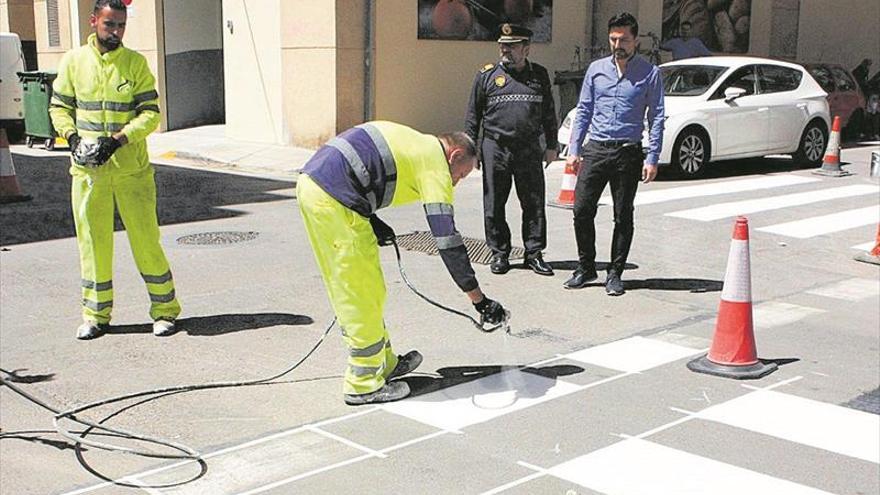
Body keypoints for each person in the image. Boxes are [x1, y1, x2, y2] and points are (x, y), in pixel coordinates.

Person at [297, 121, 508, 405]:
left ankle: (384, 364)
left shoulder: (419, 143)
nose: (455, 182)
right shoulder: (435, 166)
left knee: (372, 288)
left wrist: (371, 216)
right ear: (454, 155)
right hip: (332, 200)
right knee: (357, 292)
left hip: (338, 196)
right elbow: (447, 241)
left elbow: (365, 167)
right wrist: (479, 300)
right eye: (460, 174)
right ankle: (362, 384)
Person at [50, 0, 180, 339]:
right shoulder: (74, 62)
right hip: (89, 172)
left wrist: (118, 139)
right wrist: (73, 138)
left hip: (130, 170)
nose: (116, 31)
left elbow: (151, 114)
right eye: (110, 24)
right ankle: (95, 315)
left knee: (146, 240)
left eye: (121, 25)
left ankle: (165, 310)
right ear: (94, 21)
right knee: (92, 243)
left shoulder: (135, 64)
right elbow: (59, 109)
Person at [563, 12, 665, 296]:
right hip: (596, 150)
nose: (617, 44)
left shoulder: (649, 73)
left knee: (623, 215)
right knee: (582, 210)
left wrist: (652, 157)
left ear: (635, 41)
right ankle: (586, 267)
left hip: (627, 153)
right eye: (613, 39)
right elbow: (583, 110)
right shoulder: (596, 70)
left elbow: (657, 117)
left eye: (624, 39)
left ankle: (615, 273)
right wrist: (574, 150)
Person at [465, 23, 558, 277]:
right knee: (494, 203)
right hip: (495, 147)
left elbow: (549, 112)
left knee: (534, 203)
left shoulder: (539, 75)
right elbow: (473, 117)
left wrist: (551, 145)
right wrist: (471, 150)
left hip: (528, 148)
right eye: (502, 45)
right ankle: (499, 253)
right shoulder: (486, 76)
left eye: (511, 45)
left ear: (526, 49)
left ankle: (534, 253)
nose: (504, 49)